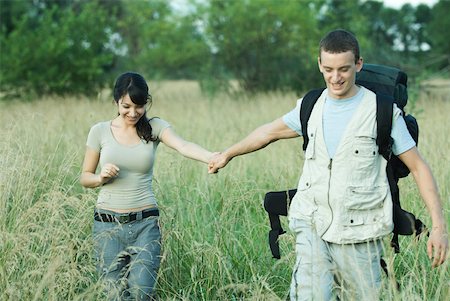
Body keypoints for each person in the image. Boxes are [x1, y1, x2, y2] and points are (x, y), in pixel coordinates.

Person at [208, 29, 448, 300]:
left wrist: (438, 228)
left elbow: (418, 167)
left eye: (344, 69)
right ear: (320, 64)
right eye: (329, 69)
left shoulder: (382, 112)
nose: (336, 78)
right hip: (311, 224)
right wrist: (228, 153)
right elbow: (268, 133)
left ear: (358, 64)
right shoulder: (310, 106)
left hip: (360, 231)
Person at [80, 72, 215, 300]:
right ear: (116, 102)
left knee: (142, 294)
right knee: (114, 296)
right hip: (107, 227)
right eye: (126, 106)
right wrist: (100, 178)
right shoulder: (100, 131)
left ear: (146, 103)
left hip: (145, 225)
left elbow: (183, 145)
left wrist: (212, 156)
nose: (133, 113)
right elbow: (85, 177)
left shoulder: (154, 127)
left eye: (139, 106)